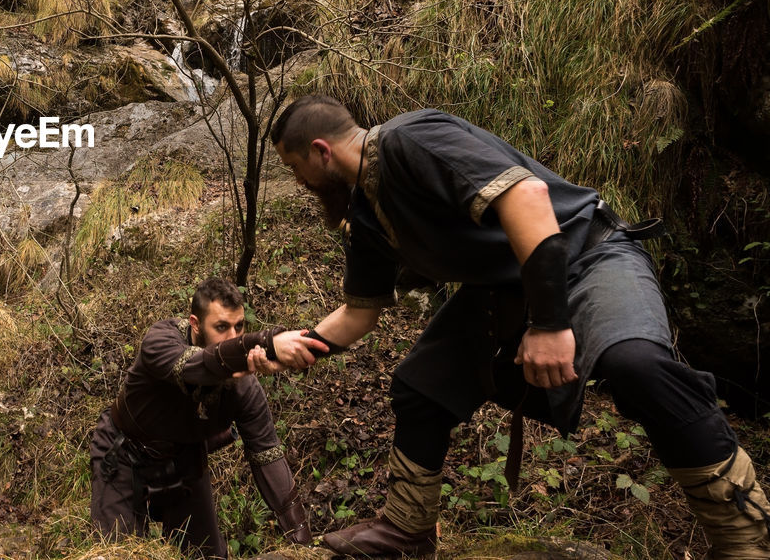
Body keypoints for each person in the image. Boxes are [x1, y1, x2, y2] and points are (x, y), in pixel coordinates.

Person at [258, 93, 770, 559]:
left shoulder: (410, 139)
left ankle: (745, 538)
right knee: (420, 386)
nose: (299, 183)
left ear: (321, 151)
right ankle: (407, 532)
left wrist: (550, 323)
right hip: (506, 291)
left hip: (587, 254)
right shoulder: (366, 218)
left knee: (636, 365)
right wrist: (286, 346)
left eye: (295, 166)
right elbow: (358, 313)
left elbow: (527, 197)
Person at [89, 276, 324, 557]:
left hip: (184, 462)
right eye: (221, 327)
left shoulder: (245, 389)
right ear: (195, 324)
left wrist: (304, 544)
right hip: (124, 456)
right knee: (119, 553)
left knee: (209, 556)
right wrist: (267, 344)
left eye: (239, 327)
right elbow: (196, 367)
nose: (233, 337)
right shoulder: (161, 341)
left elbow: (268, 455)